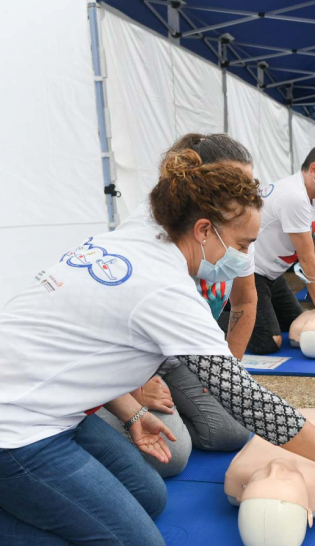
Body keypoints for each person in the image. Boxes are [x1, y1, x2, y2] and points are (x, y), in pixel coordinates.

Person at [0, 149, 315, 546]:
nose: (244, 257)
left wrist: (131, 413)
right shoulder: (165, 287)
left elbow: (80, 346)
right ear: (204, 229)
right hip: (2, 433)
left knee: (150, 497)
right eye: (242, 244)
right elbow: (247, 400)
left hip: (38, 409)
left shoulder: (146, 227)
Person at [97, 134, 259, 477]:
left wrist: (227, 371)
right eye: (232, 184)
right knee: (171, 452)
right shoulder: (148, 237)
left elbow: (245, 299)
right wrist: (137, 387)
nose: (241, 194)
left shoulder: (236, 224)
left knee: (233, 429)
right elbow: (106, 328)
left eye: (246, 185)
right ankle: (101, 414)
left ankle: (175, 405)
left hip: (178, 355)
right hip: (134, 358)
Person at [248, 145, 315, 354]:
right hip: (251, 273)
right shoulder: (294, 196)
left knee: (297, 327)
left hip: (274, 275)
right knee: (269, 342)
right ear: (314, 169)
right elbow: (307, 258)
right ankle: (219, 318)